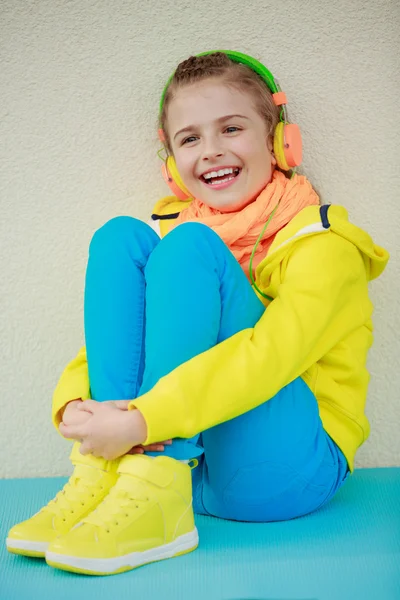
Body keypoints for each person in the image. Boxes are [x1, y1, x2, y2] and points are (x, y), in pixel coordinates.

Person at [6, 50, 389, 576]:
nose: (211, 152)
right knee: (120, 238)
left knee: (190, 246)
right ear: (171, 164)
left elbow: (265, 358)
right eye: (190, 139)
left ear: (280, 142)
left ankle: (154, 469)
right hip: (195, 470)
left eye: (231, 129)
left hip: (285, 472)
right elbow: (119, 337)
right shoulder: (170, 235)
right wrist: (75, 403)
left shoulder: (324, 248)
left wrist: (144, 420)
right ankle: (106, 471)